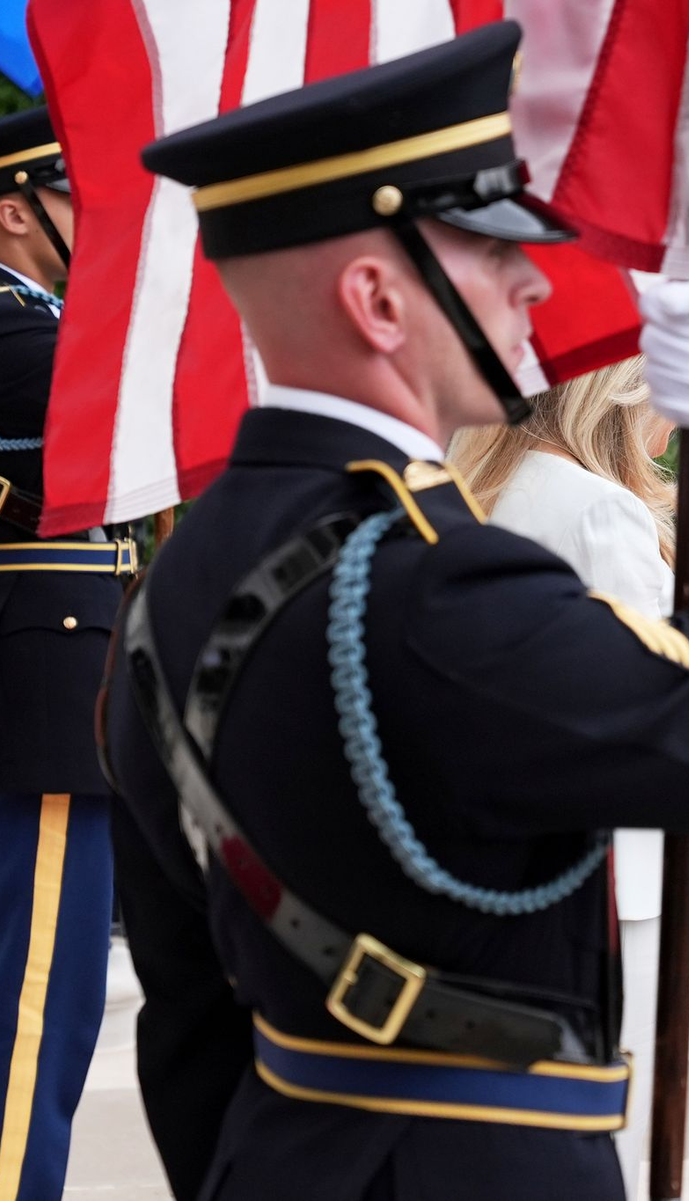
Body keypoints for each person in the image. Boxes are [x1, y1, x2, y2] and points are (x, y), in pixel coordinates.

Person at [99, 22, 689, 1200]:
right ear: (377, 300)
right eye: (491, 250)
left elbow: (186, 1016)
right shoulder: (438, 593)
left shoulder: (173, 587)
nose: (536, 280)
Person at [451, 357, 689, 1197]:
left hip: (504, 860)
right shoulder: (596, 509)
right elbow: (663, 705)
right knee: (613, 1125)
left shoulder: (485, 484)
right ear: (621, 392)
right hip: (611, 868)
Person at [0, 107, 135, 1197]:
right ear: (13, 208)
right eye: (74, 196)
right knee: (32, 1020)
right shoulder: (19, 330)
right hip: (37, 722)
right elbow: (148, 424)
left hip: (56, 711)